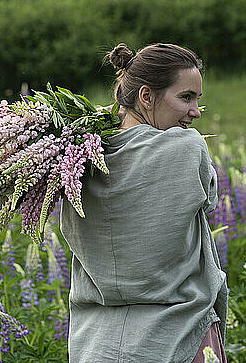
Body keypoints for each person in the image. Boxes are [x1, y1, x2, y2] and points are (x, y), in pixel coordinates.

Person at [59, 43, 228, 362]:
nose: (195, 112)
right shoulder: (186, 148)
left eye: (197, 100)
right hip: (180, 337)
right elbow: (209, 200)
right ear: (146, 97)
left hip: (96, 343)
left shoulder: (73, 162)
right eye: (186, 97)